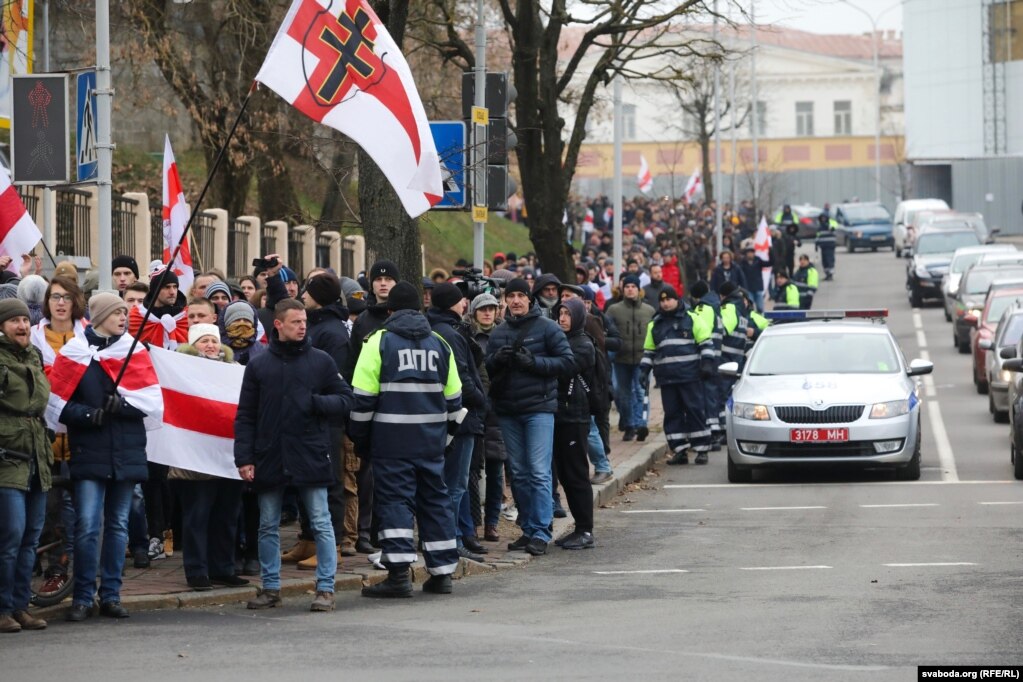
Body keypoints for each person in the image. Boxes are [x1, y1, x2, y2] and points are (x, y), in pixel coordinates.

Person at [50, 293, 164, 622]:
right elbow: (56, 404)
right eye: (116, 313)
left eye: (125, 313)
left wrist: (123, 407)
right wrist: (90, 415)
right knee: (87, 526)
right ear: (99, 316)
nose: (123, 318)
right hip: (89, 452)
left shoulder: (134, 350)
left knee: (117, 527)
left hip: (126, 453)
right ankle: (83, 596)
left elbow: (151, 402)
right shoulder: (74, 352)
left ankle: (111, 594)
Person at [235, 299, 353, 613]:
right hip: (270, 454)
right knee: (267, 524)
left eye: (304, 321)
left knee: (321, 522)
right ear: (278, 324)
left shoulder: (321, 361)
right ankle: (271, 587)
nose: (302, 326)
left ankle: (325, 588)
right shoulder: (259, 365)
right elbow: (245, 415)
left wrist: (316, 403)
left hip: (310, 452)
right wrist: (244, 458)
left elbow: (345, 400)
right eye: (295, 322)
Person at [349, 282, 463, 598]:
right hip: (431, 442)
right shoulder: (440, 344)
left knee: (395, 501)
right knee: (435, 501)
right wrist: (446, 438)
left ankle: (399, 575)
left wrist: (360, 439)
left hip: (391, 441)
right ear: (420, 309)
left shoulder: (378, 343)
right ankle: (442, 575)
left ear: (389, 311)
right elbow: (455, 400)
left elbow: (362, 400)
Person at [485, 278, 573, 557]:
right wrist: (496, 360)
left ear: (530, 299)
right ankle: (527, 528)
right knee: (520, 474)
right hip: (509, 410)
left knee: (538, 471)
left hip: (539, 409)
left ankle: (540, 531)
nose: (516, 301)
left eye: (521, 295)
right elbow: (487, 369)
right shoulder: (499, 333)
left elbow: (567, 362)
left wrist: (534, 363)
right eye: (510, 296)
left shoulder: (547, 328)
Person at [169, 324, 248, 592]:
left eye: (214, 340)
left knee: (227, 515)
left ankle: (223, 568)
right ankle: (197, 570)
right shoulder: (181, 371)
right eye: (204, 340)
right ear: (193, 344)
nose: (211, 345)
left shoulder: (236, 372)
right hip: (194, 459)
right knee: (197, 516)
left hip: (227, 457)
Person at [0, 299, 53, 632]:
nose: (21, 326)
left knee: (30, 539)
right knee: (11, 536)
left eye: (24, 319)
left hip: (37, 455)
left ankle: (20, 607)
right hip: (7, 458)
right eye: (13, 321)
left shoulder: (34, 355)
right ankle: (2, 607)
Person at [426, 282, 488, 561]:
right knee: (455, 484)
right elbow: (462, 375)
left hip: (450, 416)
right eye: (462, 300)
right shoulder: (448, 333)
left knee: (453, 483)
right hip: (460, 416)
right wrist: (480, 399)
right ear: (453, 303)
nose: (466, 303)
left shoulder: (442, 329)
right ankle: (447, 543)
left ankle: (455, 537)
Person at [345, 259, 400, 555]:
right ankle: (364, 530)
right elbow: (353, 364)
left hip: (397, 405)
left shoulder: (404, 318)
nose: (383, 283)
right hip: (369, 404)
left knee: (393, 472)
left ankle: (387, 528)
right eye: (379, 279)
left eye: (389, 279)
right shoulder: (363, 321)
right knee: (365, 473)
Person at [640, 286, 714, 465]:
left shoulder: (692, 318)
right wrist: (643, 371)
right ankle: (679, 450)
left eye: (669, 300)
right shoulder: (655, 324)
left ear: (677, 299)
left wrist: (706, 364)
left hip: (690, 376)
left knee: (695, 411)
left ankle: (701, 450)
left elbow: (706, 342)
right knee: (672, 414)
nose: (665, 303)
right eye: (662, 300)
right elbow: (649, 351)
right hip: (667, 379)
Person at [551, 298, 596, 550]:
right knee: (566, 476)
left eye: (568, 314)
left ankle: (586, 530)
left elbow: (563, 368)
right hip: (559, 415)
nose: (563, 318)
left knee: (577, 475)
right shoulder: (563, 341)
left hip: (575, 417)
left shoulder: (583, 344)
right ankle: (579, 527)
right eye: (561, 313)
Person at [467, 292, 506, 542]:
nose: (487, 313)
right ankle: (472, 521)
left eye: (491, 309)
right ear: (474, 313)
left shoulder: (503, 335)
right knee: (471, 471)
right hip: (475, 408)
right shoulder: (468, 337)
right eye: (483, 309)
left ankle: (492, 522)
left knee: (496, 470)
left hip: (498, 410)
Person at [605, 275, 655, 441]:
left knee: (641, 392)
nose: (630, 289)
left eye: (633, 286)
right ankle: (629, 425)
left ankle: (641, 425)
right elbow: (606, 331)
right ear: (622, 289)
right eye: (627, 286)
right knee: (622, 394)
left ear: (639, 289)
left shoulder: (649, 310)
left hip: (642, 359)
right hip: (621, 359)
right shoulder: (614, 310)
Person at [129, 267, 188, 349]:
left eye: (175, 287)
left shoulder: (186, 316)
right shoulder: (136, 316)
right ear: (155, 290)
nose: (172, 292)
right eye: (167, 287)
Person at [738, 248, 767, 313]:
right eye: (749, 253)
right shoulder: (742, 262)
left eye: (752, 253)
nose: (750, 254)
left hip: (758, 287)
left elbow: (769, 263)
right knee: (750, 307)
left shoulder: (758, 260)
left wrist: (770, 251)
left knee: (760, 307)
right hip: (748, 287)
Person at [815, 210, 837, 281]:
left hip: (830, 245)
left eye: (824, 218)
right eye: (822, 218)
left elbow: (833, 228)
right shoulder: (819, 226)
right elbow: (818, 236)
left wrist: (826, 224)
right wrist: (816, 244)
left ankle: (830, 274)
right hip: (823, 246)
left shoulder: (831, 222)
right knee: (824, 261)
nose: (823, 219)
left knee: (830, 260)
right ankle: (827, 274)